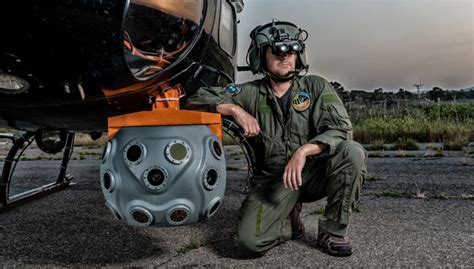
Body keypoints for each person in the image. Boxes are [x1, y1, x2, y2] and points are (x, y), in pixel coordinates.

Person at [187, 20, 367, 257]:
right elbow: (195, 99)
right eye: (277, 51)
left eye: (291, 50)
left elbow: (342, 130)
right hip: (273, 180)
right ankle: (288, 223)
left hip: (313, 173)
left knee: (351, 151)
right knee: (247, 244)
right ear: (261, 56)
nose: (285, 56)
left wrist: (303, 152)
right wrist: (234, 110)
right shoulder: (249, 93)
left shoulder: (316, 87)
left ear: (299, 55)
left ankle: (332, 231)